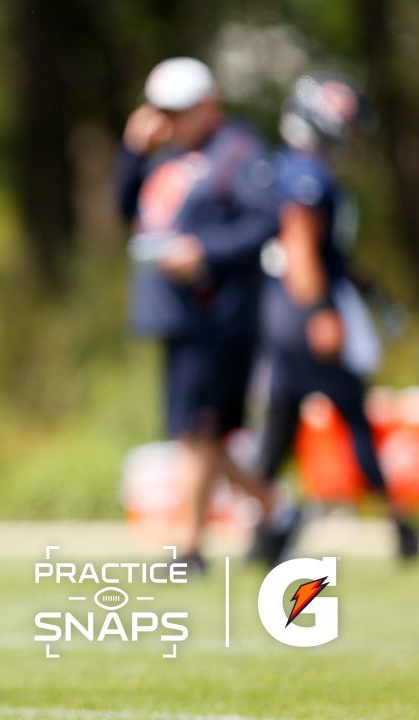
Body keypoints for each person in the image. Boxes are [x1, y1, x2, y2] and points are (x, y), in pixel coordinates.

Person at [249, 73, 417, 564]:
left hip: (279, 309)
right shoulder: (307, 176)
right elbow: (301, 250)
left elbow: (326, 253)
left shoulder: (286, 168)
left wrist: (370, 292)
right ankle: (400, 527)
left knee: (281, 422)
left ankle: (265, 532)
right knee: (352, 414)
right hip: (301, 309)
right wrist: (322, 312)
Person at [116, 57, 277, 571]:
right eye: (162, 111)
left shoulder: (237, 153)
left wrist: (202, 251)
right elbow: (126, 211)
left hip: (218, 316)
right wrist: (131, 154)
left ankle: (189, 545)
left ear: (209, 106)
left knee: (198, 430)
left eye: (180, 111)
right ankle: (276, 510)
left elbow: (263, 224)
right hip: (177, 315)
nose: (170, 121)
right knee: (201, 431)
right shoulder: (163, 158)